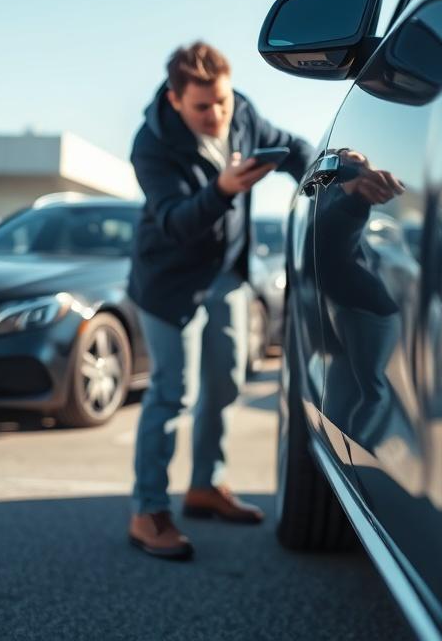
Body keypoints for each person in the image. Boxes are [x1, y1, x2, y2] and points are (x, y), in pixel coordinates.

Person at [127, 41, 313, 560]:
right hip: (168, 280)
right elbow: (174, 221)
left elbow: (295, 148)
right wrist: (224, 189)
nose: (217, 115)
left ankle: (206, 485)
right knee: (172, 393)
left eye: (223, 103)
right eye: (202, 107)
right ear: (175, 100)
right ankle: (147, 511)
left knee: (227, 380)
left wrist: (326, 179)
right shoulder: (151, 144)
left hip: (227, 275)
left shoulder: (245, 113)